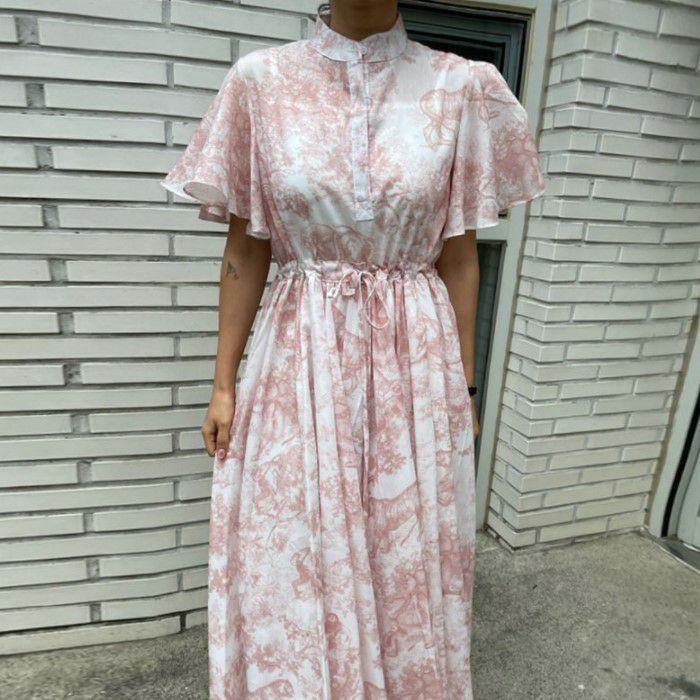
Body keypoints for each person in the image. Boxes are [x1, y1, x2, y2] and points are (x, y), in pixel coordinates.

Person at [160, 1, 545, 697]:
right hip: (298, 354)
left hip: (415, 362)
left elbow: (460, 257)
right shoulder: (260, 82)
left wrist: (463, 386)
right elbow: (246, 249)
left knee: (405, 550)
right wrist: (223, 385)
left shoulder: (461, 85)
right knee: (294, 548)